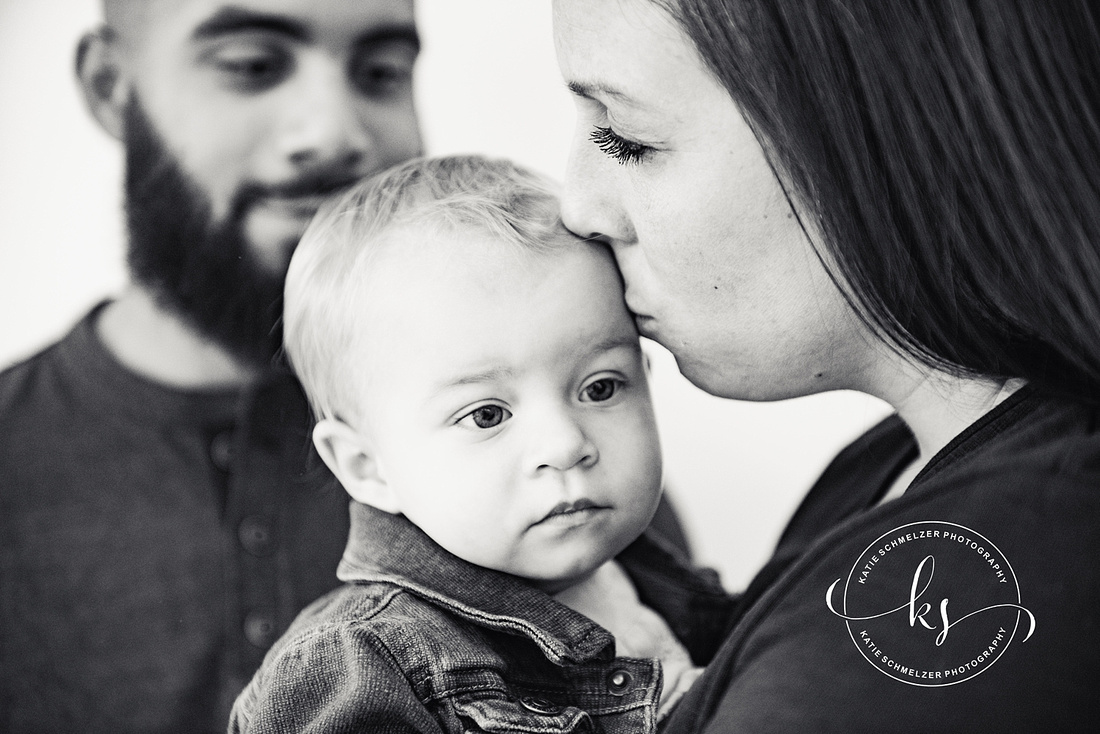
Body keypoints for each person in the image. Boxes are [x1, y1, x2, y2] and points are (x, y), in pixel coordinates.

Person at [553, 0, 1100, 731]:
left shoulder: (997, 561)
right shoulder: (899, 464)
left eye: (627, 139)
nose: (580, 207)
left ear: (892, 119)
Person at [0, 1, 422, 730]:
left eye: (380, 73)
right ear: (111, 86)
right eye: (252, 67)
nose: (335, 134)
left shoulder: (541, 443)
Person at [228, 154, 732, 733]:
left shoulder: (656, 580)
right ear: (368, 467)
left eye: (600, 387)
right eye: (487, 414)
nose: (566, 445)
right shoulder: (361, 667)